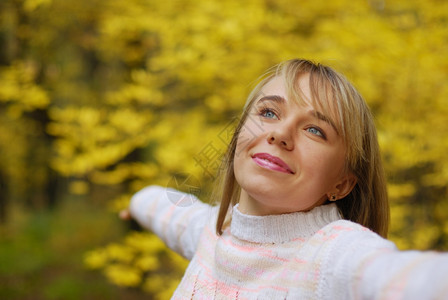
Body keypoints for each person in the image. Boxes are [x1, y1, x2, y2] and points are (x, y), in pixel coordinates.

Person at [120, 59, 448, 299]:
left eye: (315, 130)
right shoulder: (214, 231)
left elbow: (407, 278)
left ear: (342, 184)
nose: (280, 133)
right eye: (268, 113)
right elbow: (165, 211)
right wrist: (135, 203)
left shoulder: (333, 255)